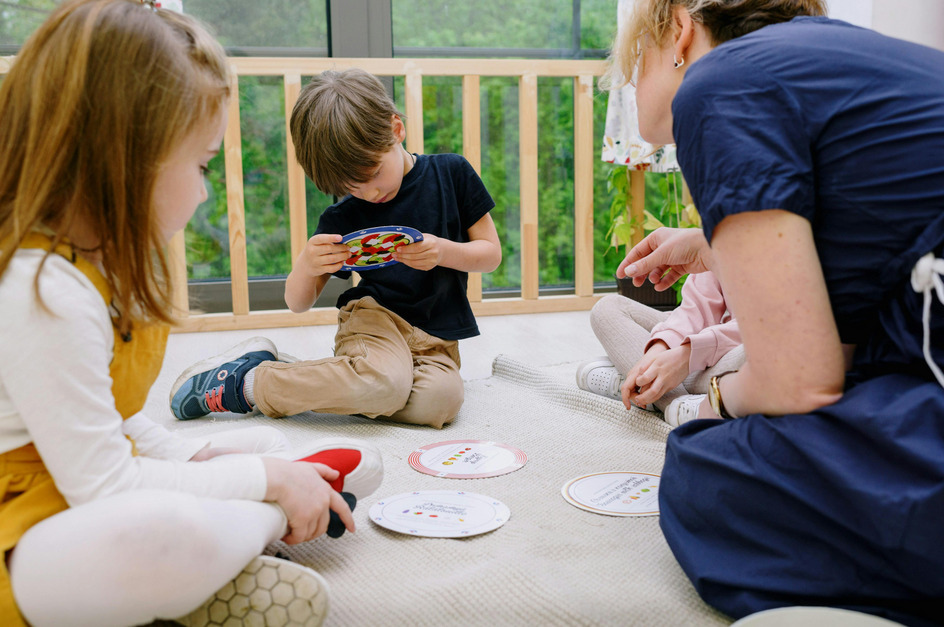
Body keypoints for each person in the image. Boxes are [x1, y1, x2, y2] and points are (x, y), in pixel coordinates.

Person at [0, 2, 382, 626]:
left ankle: (247, 541)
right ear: (125, 158)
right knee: (169, 530)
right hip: (27, 530)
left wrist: (204, 461)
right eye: (202, 163)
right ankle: (263, 530)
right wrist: (270, 483)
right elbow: (106, 486)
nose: (206, 190)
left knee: (288, 449)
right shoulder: (41, 289)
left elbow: (121, 420)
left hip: (80, 488)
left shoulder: (99, 266)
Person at [609, 0, 944, 625]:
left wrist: (717, 399)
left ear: (679, 29)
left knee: (702, 466)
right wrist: (710, 246)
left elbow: (800, 381)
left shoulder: (718, 83)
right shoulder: (832, 55)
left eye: (633, 65)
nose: (630, 87)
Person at [170, 68, 502, 429]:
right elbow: (297, 302)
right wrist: (306, 265)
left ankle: (315, 379)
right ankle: (247, 384)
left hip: (436, 338)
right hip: (375, 321)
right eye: (352, 187)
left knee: (440, 403)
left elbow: (490, 255)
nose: (370, 193)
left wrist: (443, 252)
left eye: (373, 173)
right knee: (385, 385)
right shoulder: (342, 217)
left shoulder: (452, 173)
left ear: (396, 129)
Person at [576, 271, 743, 426]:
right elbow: (697, 308)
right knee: (608, 307)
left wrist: (688, 356)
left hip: (742, 347)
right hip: (711, 338)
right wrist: (660, 347)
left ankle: (652, 390)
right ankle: (684, 400)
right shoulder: (718, 247)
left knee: (754, 356)